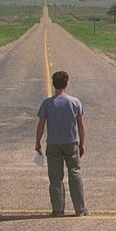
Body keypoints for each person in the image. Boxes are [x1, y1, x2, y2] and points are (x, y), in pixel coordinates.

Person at [35, 71, 89, 217]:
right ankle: (80, 208)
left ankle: (58, 209)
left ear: (53, 84)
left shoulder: (47, 103)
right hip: (71, 142)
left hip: (53, 144)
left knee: (55, 178)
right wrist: (82, 144)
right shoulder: (75, 102)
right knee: (75, 173)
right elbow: (81, 125)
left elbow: (41, 125)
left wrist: (37, 143)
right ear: (66, 84)